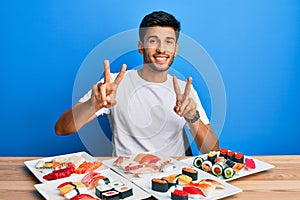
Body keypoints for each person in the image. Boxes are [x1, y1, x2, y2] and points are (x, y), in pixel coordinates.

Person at [55, 11, 219, 156]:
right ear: (141, 47)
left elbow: (213, 151)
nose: (161, 49)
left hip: (172, 180)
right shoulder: (112, 84)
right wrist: (94, 104)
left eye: (168, 42)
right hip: (126, 178)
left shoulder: (184, 91)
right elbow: (61, 128)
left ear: (175, 49)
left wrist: (193, 118)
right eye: (153, 41)